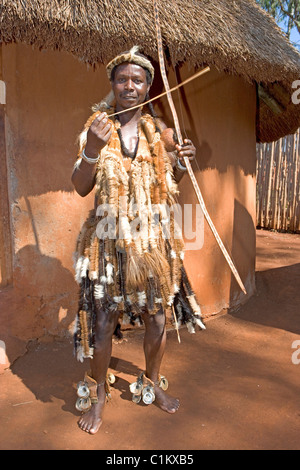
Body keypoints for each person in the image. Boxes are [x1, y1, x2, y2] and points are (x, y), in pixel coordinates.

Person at [71, 46, 205, 434]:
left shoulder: (158, 132)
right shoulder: (96, 128)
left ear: (148, 87)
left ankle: (151, 381)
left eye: (138, 80)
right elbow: (81, 187)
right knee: (101, 321)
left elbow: (169, 185)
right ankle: (98, 398)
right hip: (108, 242)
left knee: (158, 318)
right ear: (113, 84)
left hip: (151, 241)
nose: (129, 86)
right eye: (122, 79)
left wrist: (179, 161)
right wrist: (93, 149)